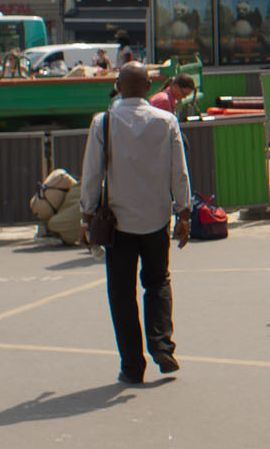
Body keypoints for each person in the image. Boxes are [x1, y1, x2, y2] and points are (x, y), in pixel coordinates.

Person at [79, 63, 193, 384]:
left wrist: (87, 216)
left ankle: (132, 366)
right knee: (158, 282)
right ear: (148, 87)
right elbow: (179, 173)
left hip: (119, 223)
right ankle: (162, 345)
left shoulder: (103, 123)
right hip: (157, 219)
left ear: (118, 85)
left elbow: (92, 175)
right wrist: (184, 213)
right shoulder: (167, 121)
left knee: (122, 293)